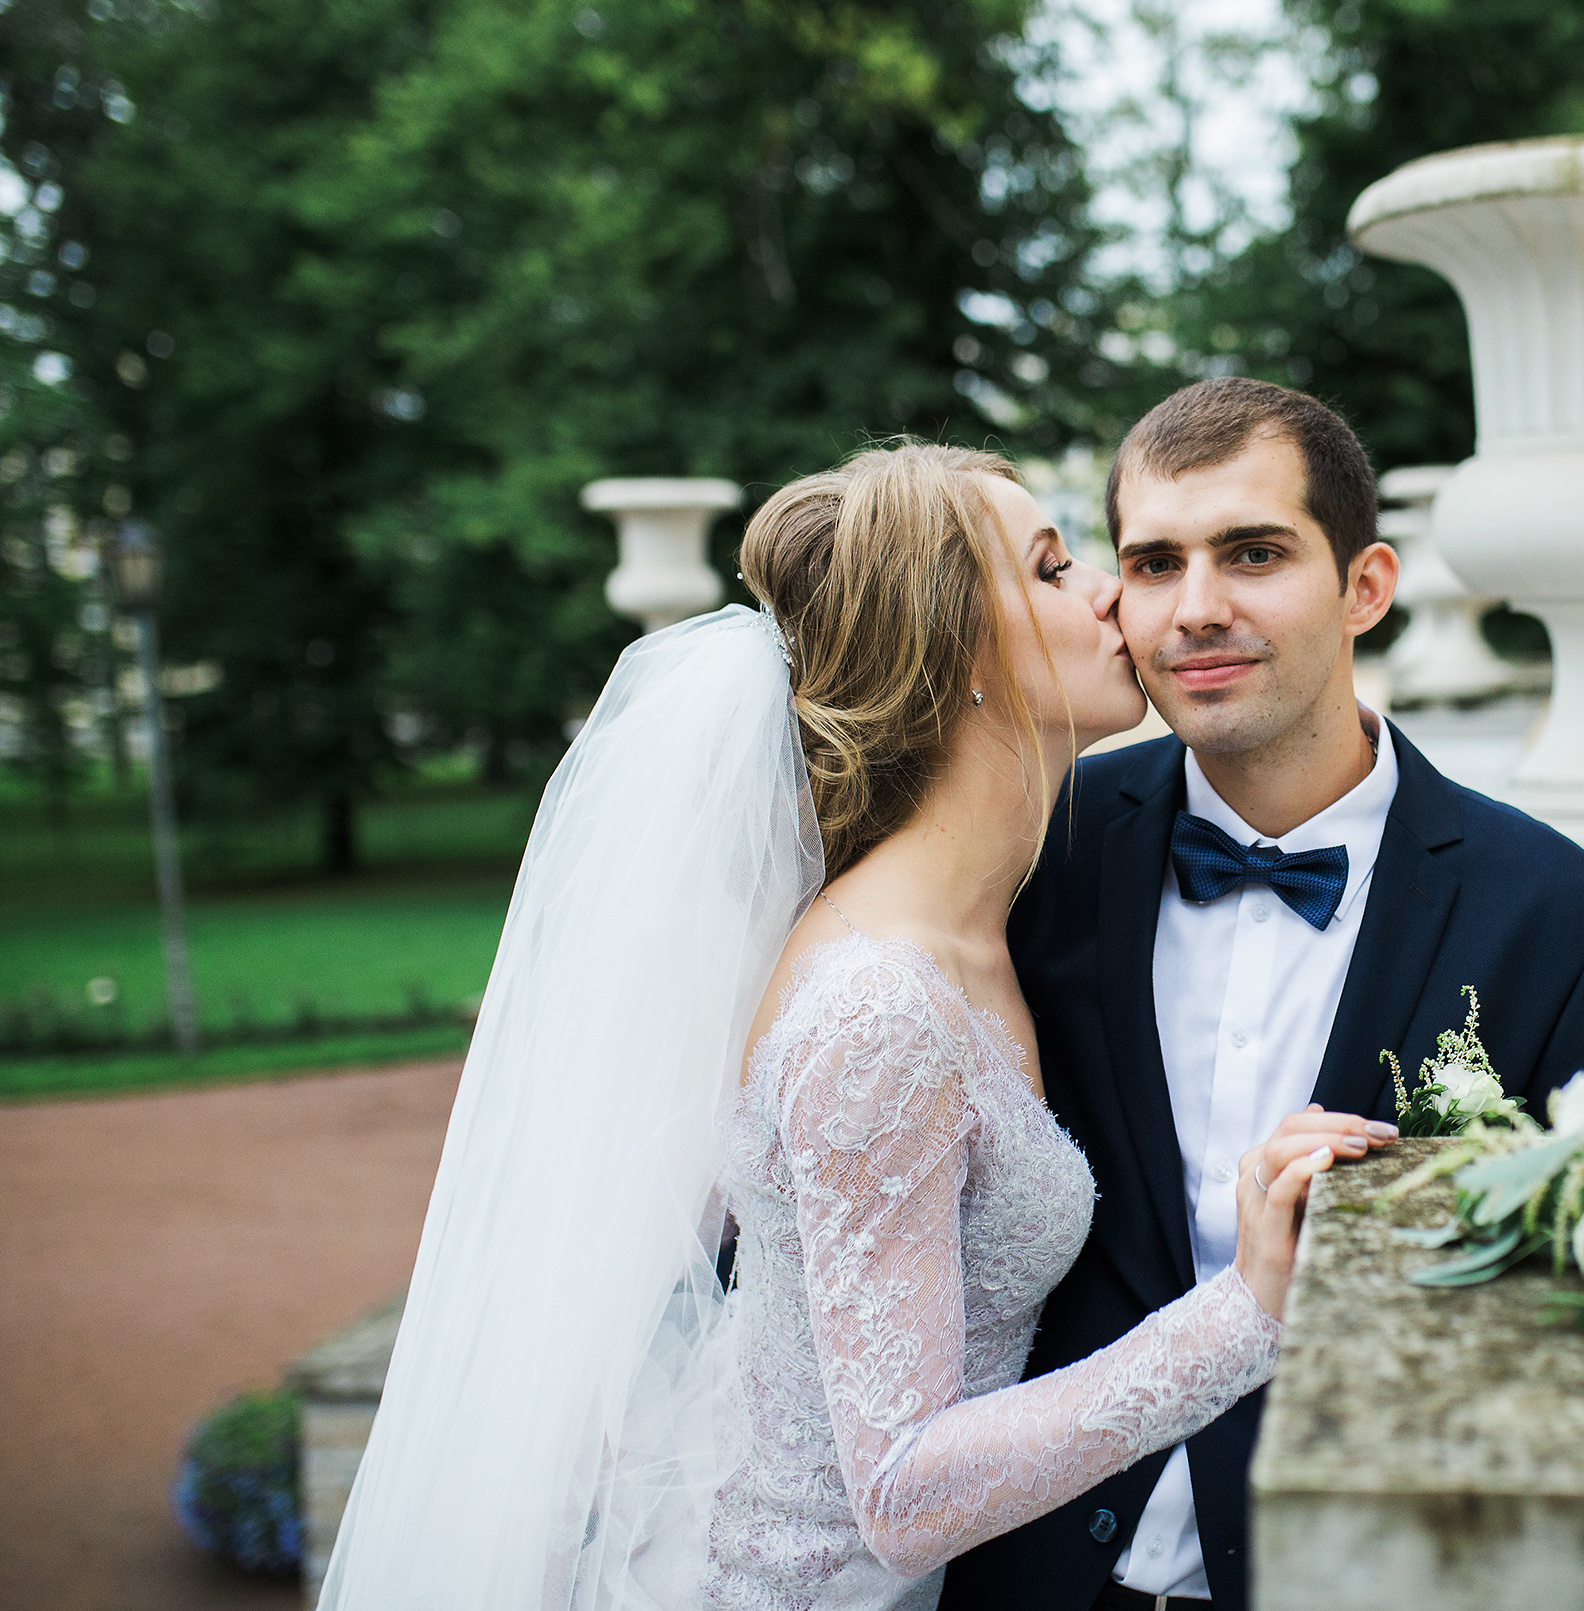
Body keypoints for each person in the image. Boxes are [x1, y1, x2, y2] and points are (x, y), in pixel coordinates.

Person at [318, 442, 1394, 1611]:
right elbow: (901, 1491)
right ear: (956, 653)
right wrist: (1248, 1312)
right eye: (1048, 569)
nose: (1107, 595)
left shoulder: (996, 927)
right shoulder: (880, 1009)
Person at [939, 379, 1584, 1611]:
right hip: (1028, 1571)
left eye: (1253, 554)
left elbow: (1565, 1315)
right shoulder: (1031, 854)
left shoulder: (1559, 914)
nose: (1198, 609)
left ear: (1365, 586)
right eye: (1154, 564)